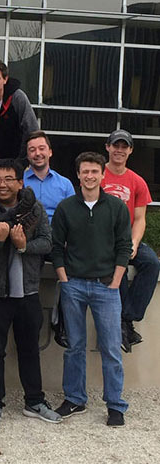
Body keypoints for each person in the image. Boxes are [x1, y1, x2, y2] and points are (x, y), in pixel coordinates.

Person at [0, 159, 61, 431]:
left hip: (28, 291)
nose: (2, 184)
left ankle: (34, 401)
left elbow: (48, 242)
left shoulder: (34, 209)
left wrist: (23, 246)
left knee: (29, 349)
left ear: (20, 182)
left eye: (8, 179)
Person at [51, 152, 131, 427]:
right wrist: (63, 278)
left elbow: (124, 246)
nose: (90, 176)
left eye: (94, 171)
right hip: (73, 284)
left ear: (102, 174)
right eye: (85, 171)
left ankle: (116, 405)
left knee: (110, 348)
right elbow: (56, 246)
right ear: (78, 174)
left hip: (107, 286)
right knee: (75, 346)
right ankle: (74, 398)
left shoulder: (116, 208)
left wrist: (117, 280)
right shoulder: (66, 208)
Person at [101, 129, 160, 352]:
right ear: (107, 147)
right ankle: (125, 325)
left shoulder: (137, 181)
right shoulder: (98, 175)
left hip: (127, 239)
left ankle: (127, 317)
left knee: (152, 263)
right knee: (120, 267)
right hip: (104, 241)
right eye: (115, 145)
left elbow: (140, 218)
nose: (119, 150)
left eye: (124, 146)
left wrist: (134, 243)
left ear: (131, 150)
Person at [22, 131, 75, 223]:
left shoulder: (65, 184)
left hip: (57, 235)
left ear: (50, 152)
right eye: (32, 150)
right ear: (27, 155)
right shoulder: (19, 182)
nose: (37, 153)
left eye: (41, 148)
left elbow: (73, 216)